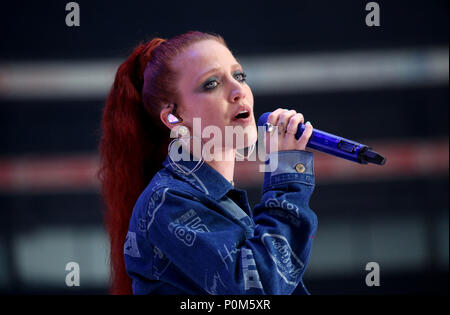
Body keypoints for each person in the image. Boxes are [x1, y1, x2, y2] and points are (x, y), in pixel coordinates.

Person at [98, 31, 317, 295]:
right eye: (212, 84)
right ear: (174, 117)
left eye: (239, 76)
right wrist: (287, 173)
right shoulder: (169, 202)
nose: (239, 92)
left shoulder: (213, 202)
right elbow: (256, 291)